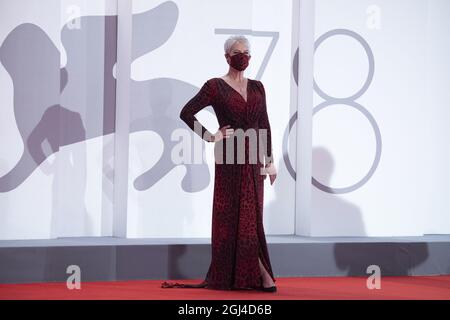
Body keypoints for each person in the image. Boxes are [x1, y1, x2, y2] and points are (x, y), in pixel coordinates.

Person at [161, 35, 278, 292]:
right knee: (232, 216)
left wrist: (270, 161)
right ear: (227, 57)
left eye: (247, 52)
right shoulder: (215, 86)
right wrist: (210, 136)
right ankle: (260, 275)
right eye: (238, 52)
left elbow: (265, 125)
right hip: (229, 156)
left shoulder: (258, 87)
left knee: (252, 215)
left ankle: (256, 274)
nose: (243, 56)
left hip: (254, 157)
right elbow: (186, 112)